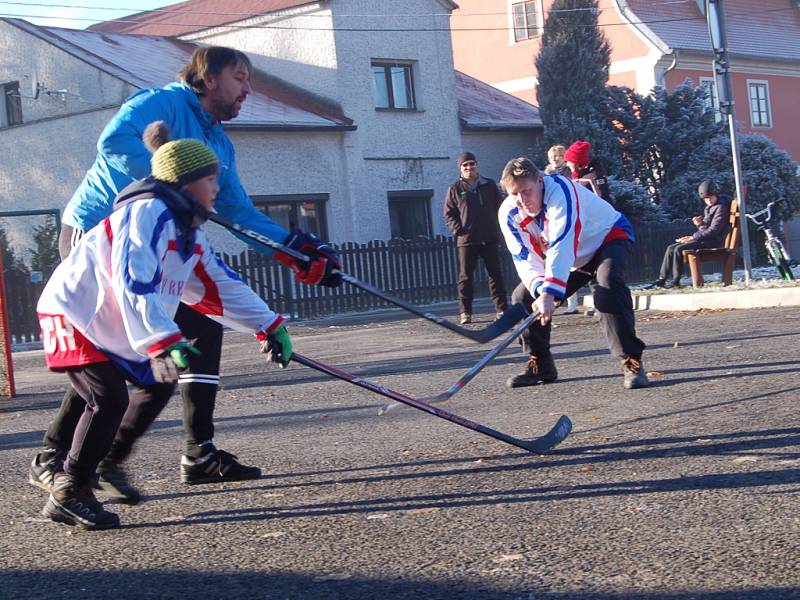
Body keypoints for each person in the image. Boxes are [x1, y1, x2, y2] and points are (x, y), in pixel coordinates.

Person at [29, 46, 340, 499]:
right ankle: (56, 458)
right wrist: (169, 188)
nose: (248, 90)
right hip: (101, 237)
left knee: (197, 336)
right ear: (208, 77)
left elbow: (237, 211)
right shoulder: (162, 102)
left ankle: (190, 452)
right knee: (105, 351)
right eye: (240, 78)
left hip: (164, 239)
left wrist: (293, 249)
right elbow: (114, 144)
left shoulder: (217, 143)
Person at [36, 122, 292, 529]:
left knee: (157, 382)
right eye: (210, 180)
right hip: (75, 311)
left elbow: (217, 284)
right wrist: (161, 339)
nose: (216, 190)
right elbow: (132, 277)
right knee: (107, 398)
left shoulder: (187, 229)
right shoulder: (148, 212)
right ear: (187, 183)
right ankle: (70, 491)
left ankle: (106, 461)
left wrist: (268, 325)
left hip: (110, 320)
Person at [497, 156, 649, 390]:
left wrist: (550, 293)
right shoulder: (509, 213)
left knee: (607, 286)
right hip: (572, 258)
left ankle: (631, 360)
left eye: (526, 191)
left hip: (606, 238)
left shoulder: (561, 192)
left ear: (539, 180)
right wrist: (540, 291)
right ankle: (541, 363)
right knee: (523, 298)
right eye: (514, 194)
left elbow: (562, 241)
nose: (521, 200)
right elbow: (524, 257)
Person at [443, 151, 508, 325]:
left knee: (495, 275)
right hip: (467, 240)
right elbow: (449, 214)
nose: (469, 168)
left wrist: (498, 228)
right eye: (465, 165)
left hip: (489, 237)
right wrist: (459, 230)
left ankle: (502, 310)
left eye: (472, 164)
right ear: (460, 168)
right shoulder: (455, 188)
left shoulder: (489, 185)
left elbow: (500, 208)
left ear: (476, 165)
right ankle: (465, 312)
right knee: (465, 278)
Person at [649, 180, 731, 288]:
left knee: (678, 249)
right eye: (706, 198)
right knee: (671, 248)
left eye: (711, 197)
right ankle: (661, 279)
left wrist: (693, 237)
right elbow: (705, 229)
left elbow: (714, 230)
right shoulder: (710, 208)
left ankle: (675, 281)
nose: (709, 200)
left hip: (714, 241)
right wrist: (700, 224)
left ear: (716, 195)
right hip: (707, 239)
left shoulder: (721, 208)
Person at [545, 144, 579, 314]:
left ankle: (581, 301)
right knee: (563, 263)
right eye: (552, 157)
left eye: (558, 156)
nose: (555, 160)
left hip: (570, 216)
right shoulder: (547, 174)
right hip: (555, 218)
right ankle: (570, 302)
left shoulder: (569, 173)